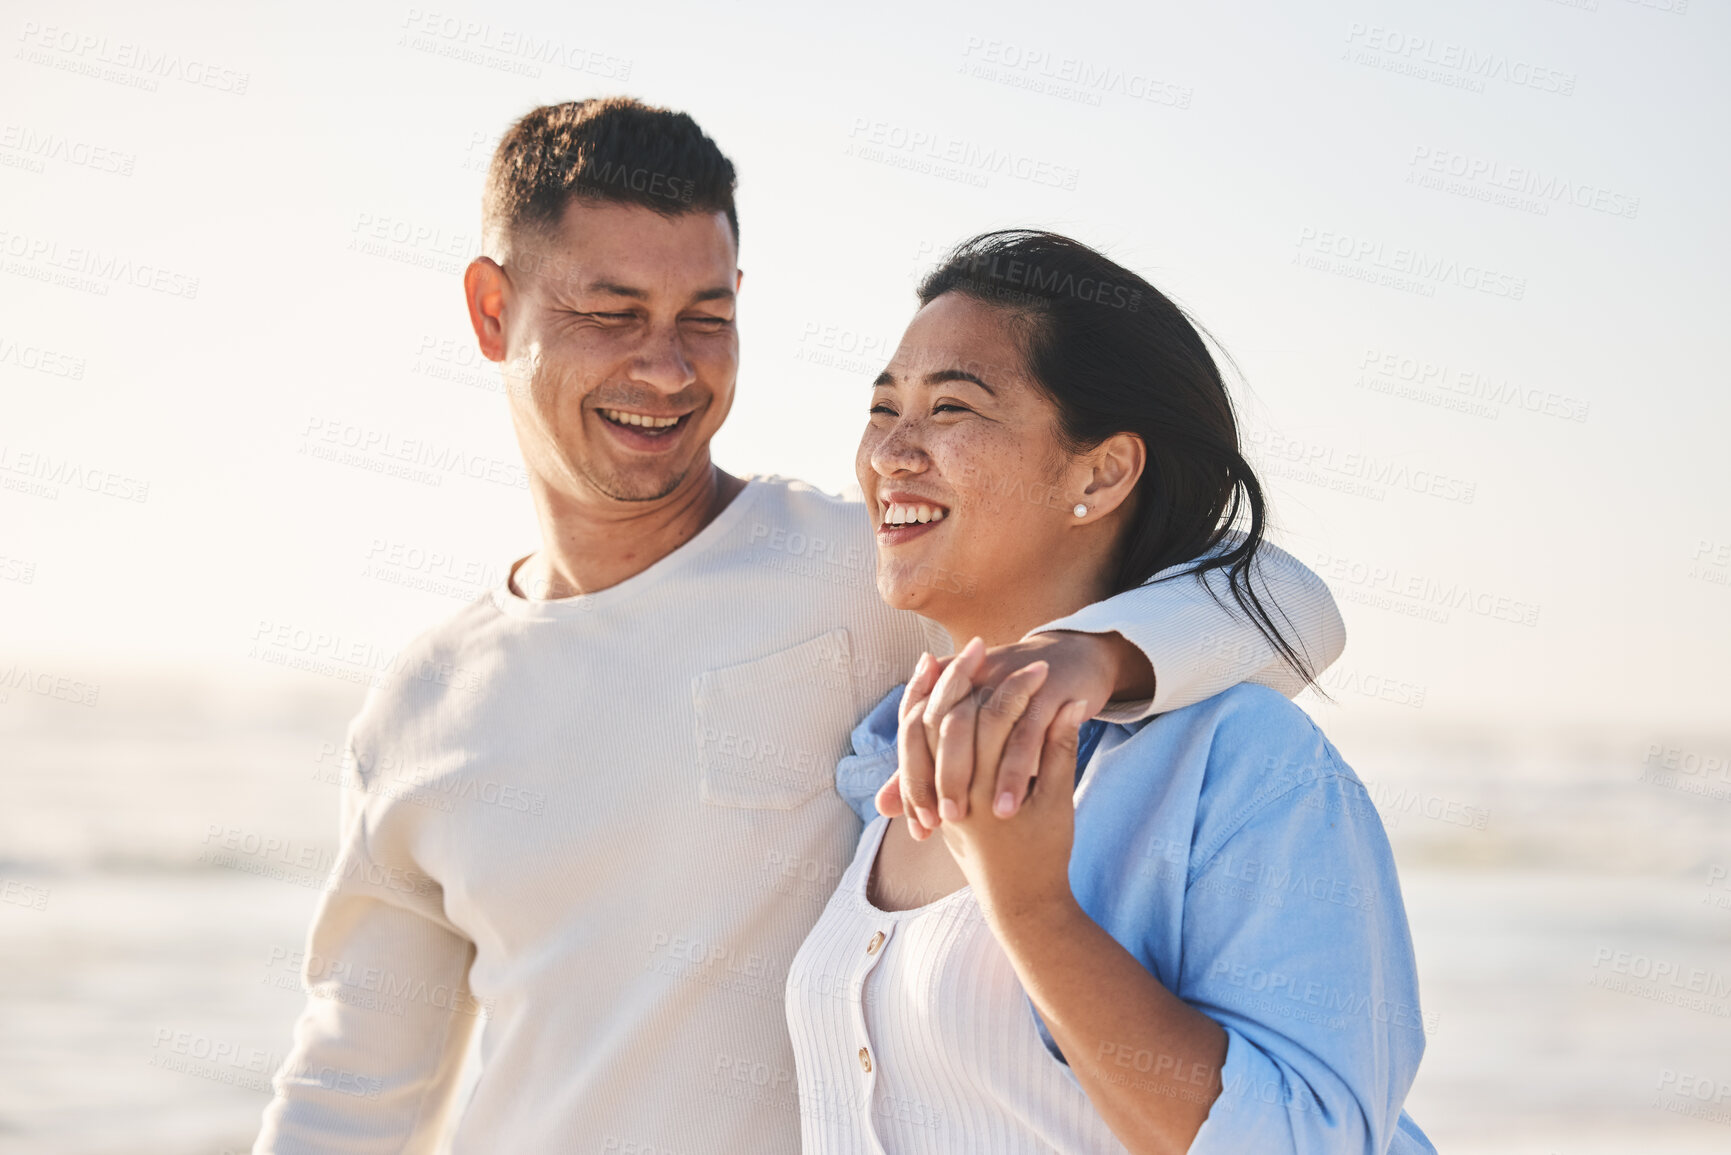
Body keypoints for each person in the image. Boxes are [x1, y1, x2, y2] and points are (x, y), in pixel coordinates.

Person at [254, 100, 1346, 1154]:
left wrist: (1091, 652)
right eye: (613, 313)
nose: (668, 368)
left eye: (707, 318)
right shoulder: (418, 707)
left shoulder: (869, 576)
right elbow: (349, 1091)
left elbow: (1291, 609)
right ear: (493, 312)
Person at [786, 230, 1434, 1154]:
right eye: (883, 406)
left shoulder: (1243, 761)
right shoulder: (885, 761)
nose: (890, 450)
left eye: (951, 408)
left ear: (1101, 472)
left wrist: (1034, 911)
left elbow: (1311, 1141)